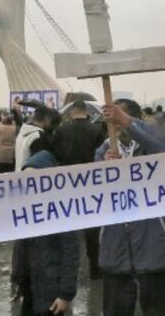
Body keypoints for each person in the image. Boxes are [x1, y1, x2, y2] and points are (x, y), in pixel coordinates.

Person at [96, 99, 165, 316]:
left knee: (158, 310)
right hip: (116, 248)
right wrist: (103, 171)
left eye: (119, 121)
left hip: (154, 244)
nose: (117, 127)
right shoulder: (103, 151)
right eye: (112, 123)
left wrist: (129, 123)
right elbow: (96, 197)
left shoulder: (153, 142)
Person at [10, 148, 79, 315]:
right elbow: (21, 251)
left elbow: (71, 254)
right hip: (30, 288)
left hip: (52, 291)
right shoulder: (25, 211)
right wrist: (17, 282)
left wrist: (65, 294)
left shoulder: (62, 211)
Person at [51, 100, 106, 279]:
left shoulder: (61, 129)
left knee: (68, 225)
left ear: (72, 111)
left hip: (67, 181)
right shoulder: (96, 130)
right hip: (92, 181)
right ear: (86, 111)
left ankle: (67, 270)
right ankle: (95, 268)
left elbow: (55, 152)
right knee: (92, 226)